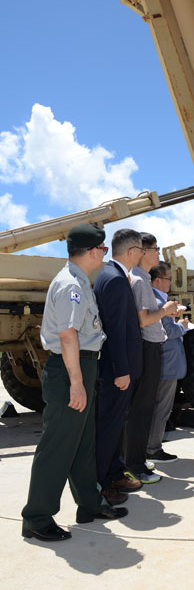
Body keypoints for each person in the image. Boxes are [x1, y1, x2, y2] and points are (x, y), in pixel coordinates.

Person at [21, 224, 127, 542]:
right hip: (72, 368)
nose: (105, 254)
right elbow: (68, 336)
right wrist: (76, 383)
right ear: (93, 251)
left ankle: (90, 504)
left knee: (82, 443)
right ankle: (37, 517)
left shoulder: (78, 280)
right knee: (58, 446)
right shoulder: (71, 285)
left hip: (81, 366)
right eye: (104, 249)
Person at [93, 228, 145, 502]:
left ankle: (114, 473)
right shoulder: (113, 279)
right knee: (110, 426)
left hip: (119, 369)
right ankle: (102, 484)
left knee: (115, 425)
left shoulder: (112, 276)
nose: (142, 254)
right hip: (117, 372)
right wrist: (121, 371)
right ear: (131, 251)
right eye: (141, 250)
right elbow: (114, 330)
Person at [126, 232, 178, 482]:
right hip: (147, 346)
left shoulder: (141, 279)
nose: (159, 253)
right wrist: (166, 311)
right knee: (142, 408)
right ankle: (134, 464)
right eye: (155, 249)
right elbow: (144, 319)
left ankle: (137, 460)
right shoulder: (139, 281)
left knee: (145, 408)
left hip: (149, 346)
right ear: (143, 252)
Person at [147, 261, 189, 462]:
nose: (171, 282)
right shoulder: (158, 302)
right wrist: (182, 327)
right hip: (167, 364)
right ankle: (153, 449)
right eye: (168, 279)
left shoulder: (155, 298)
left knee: (156, 408)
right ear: (157, 280)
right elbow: (168, 332)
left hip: (162, 363)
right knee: (162, 409)